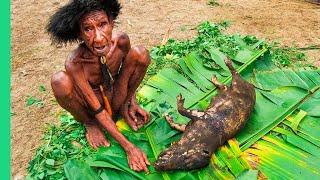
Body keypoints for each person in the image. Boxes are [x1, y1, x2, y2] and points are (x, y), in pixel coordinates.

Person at [47, 0, 151, 172]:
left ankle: (124, 107)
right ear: (79, 34)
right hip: (92, 107)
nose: (98, 37)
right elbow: (98, 110)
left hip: (116, 95)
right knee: (59, 81)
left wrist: (130, 101)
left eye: (102, 25)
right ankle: (90, 124)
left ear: (112, 23)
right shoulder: (75, 62)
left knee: (140, 54)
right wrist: (129, 148)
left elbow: (128, 70)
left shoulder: (121, 41)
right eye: (88, 29)